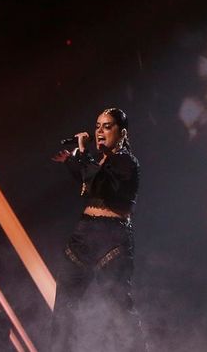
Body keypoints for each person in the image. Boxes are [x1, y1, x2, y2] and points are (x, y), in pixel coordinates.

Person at [49, 107, 145, 352]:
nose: (100, 131)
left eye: (107, 126)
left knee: (119, 308)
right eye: (97, 126)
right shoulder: (99, 163)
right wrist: (72, 160)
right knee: (64, 308)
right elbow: (87, 179)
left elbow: (101, 182)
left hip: (111, 239)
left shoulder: (126, 162)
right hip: (82, 237)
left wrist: (81, 154)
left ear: (121, 133)